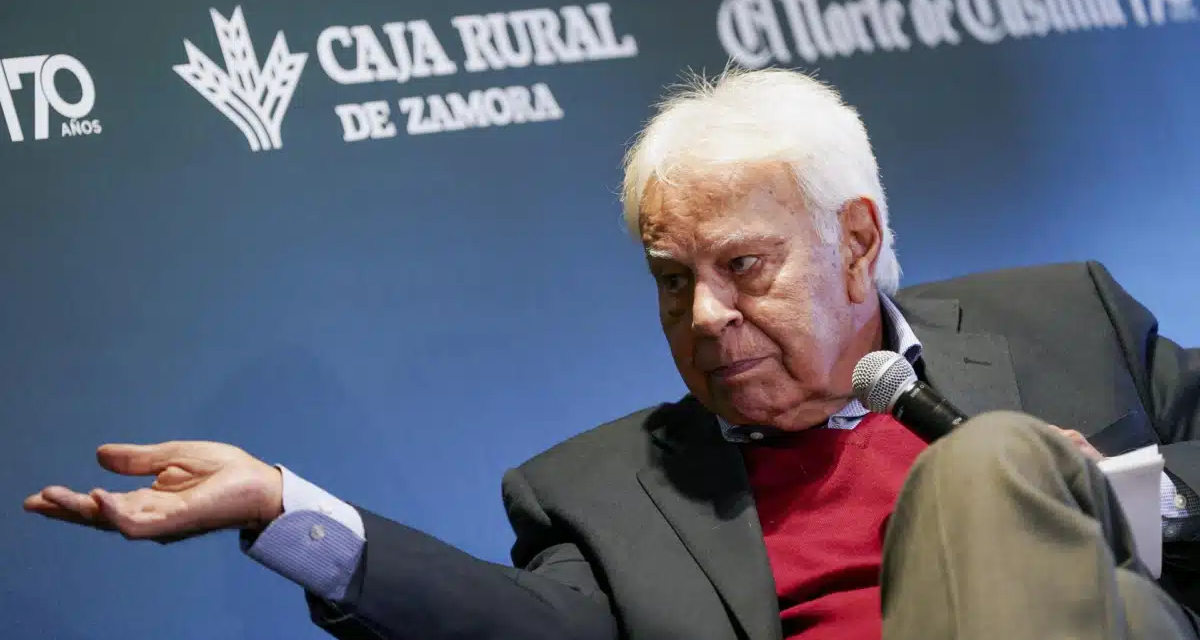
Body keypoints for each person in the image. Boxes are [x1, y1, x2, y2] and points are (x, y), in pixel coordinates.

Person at [24, 67, 1200, 640]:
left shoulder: (1065, 321)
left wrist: (1115, 503)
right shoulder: (601, 498)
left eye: (742, 267)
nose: (706, 316)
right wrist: (283, 505)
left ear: (854, 243)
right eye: (672, 281)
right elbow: (512, 633)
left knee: (1000, 476)